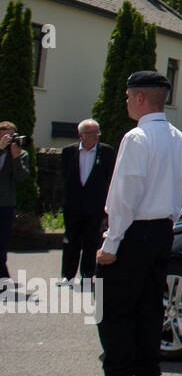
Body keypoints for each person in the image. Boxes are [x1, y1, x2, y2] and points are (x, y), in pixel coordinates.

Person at [73, 70, 182, 376]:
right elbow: (181, 192)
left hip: (133, 234)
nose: (126, 101)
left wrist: (111, 243)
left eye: (128, 96)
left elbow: (124, 196)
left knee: (112, 312)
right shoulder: (180, 139)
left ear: (140, 98)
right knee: (149, 311)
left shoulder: (137, 138)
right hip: (161, 232)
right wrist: (168, 224)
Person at [60, 119, 116, 287]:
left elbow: (110, 179)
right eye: (91, 133)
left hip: (96, 206)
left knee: (92, 241)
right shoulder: (69, 152)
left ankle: (87, 275)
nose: (95, 136)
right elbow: (65, 178)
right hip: (73, 205)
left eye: (97, 132)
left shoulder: (106, 152)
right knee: (71, 240)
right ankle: (67, 275)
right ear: (81, 135)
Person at [0, 120, 31, 290]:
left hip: (5, 204)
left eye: (12, 135)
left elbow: (21, 177)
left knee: (2, 242)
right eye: (5, 135)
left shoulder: (21, 154)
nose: (9, 138)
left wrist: (15, 157)